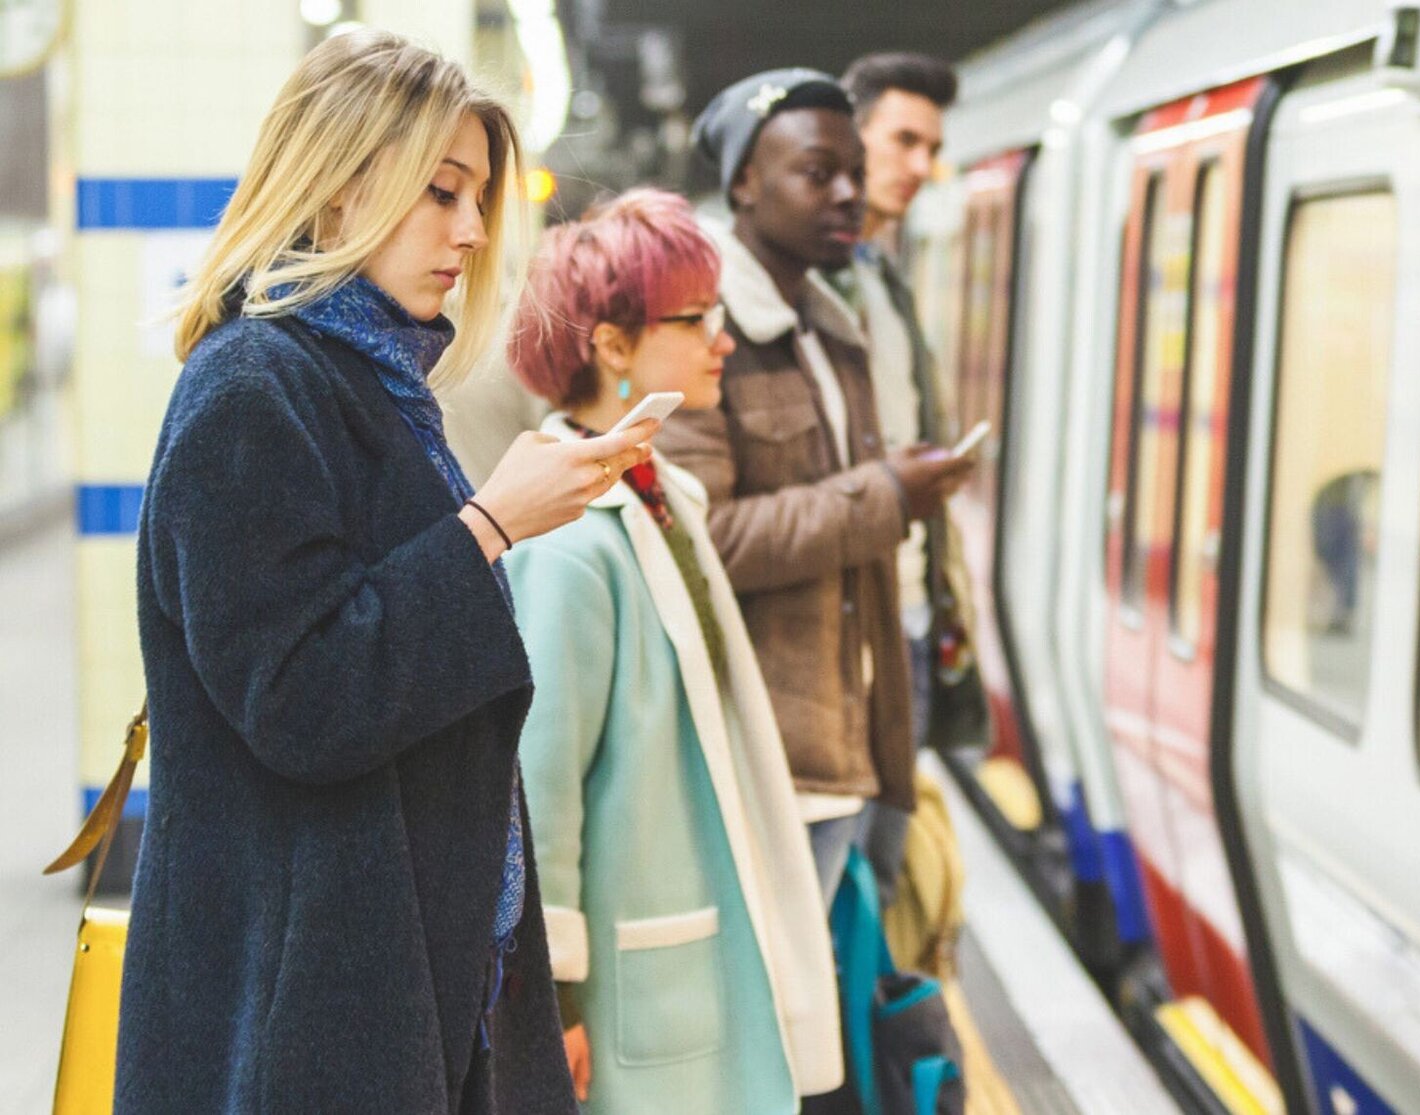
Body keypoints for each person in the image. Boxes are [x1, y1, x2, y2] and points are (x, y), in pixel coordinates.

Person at [123, 30, 659, 1113]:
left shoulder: (363, 379)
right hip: (304, 1005)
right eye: (439, 191)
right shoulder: (249, 391)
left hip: (395, 969)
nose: (468, 232)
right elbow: (302, 698)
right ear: (332, 190)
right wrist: (491, 524)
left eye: (476, 199)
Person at [505, 189, 842, 1112]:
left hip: (682, 948)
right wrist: (557, 996)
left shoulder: (660, 493)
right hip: (632, 979)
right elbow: (543, 788)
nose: (721, 340)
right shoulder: (570, 544)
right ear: (611, 346)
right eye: (695, 319)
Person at [662, 69, 974, 905]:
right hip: (770, 758)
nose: (847, 194)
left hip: (850, 737)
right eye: (816, 172)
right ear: (744, 183)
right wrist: (888, 497)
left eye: (852, 173)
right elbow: (703, 539)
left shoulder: (831, 331)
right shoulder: (702, 328)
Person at [829, 53, 986, 900]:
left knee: (879, 875)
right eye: (905, 140)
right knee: (851, 880)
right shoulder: (808, 285)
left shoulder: (884, 279)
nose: (922, 166)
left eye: (933, 147)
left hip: (911, 612)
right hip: (854, 627)